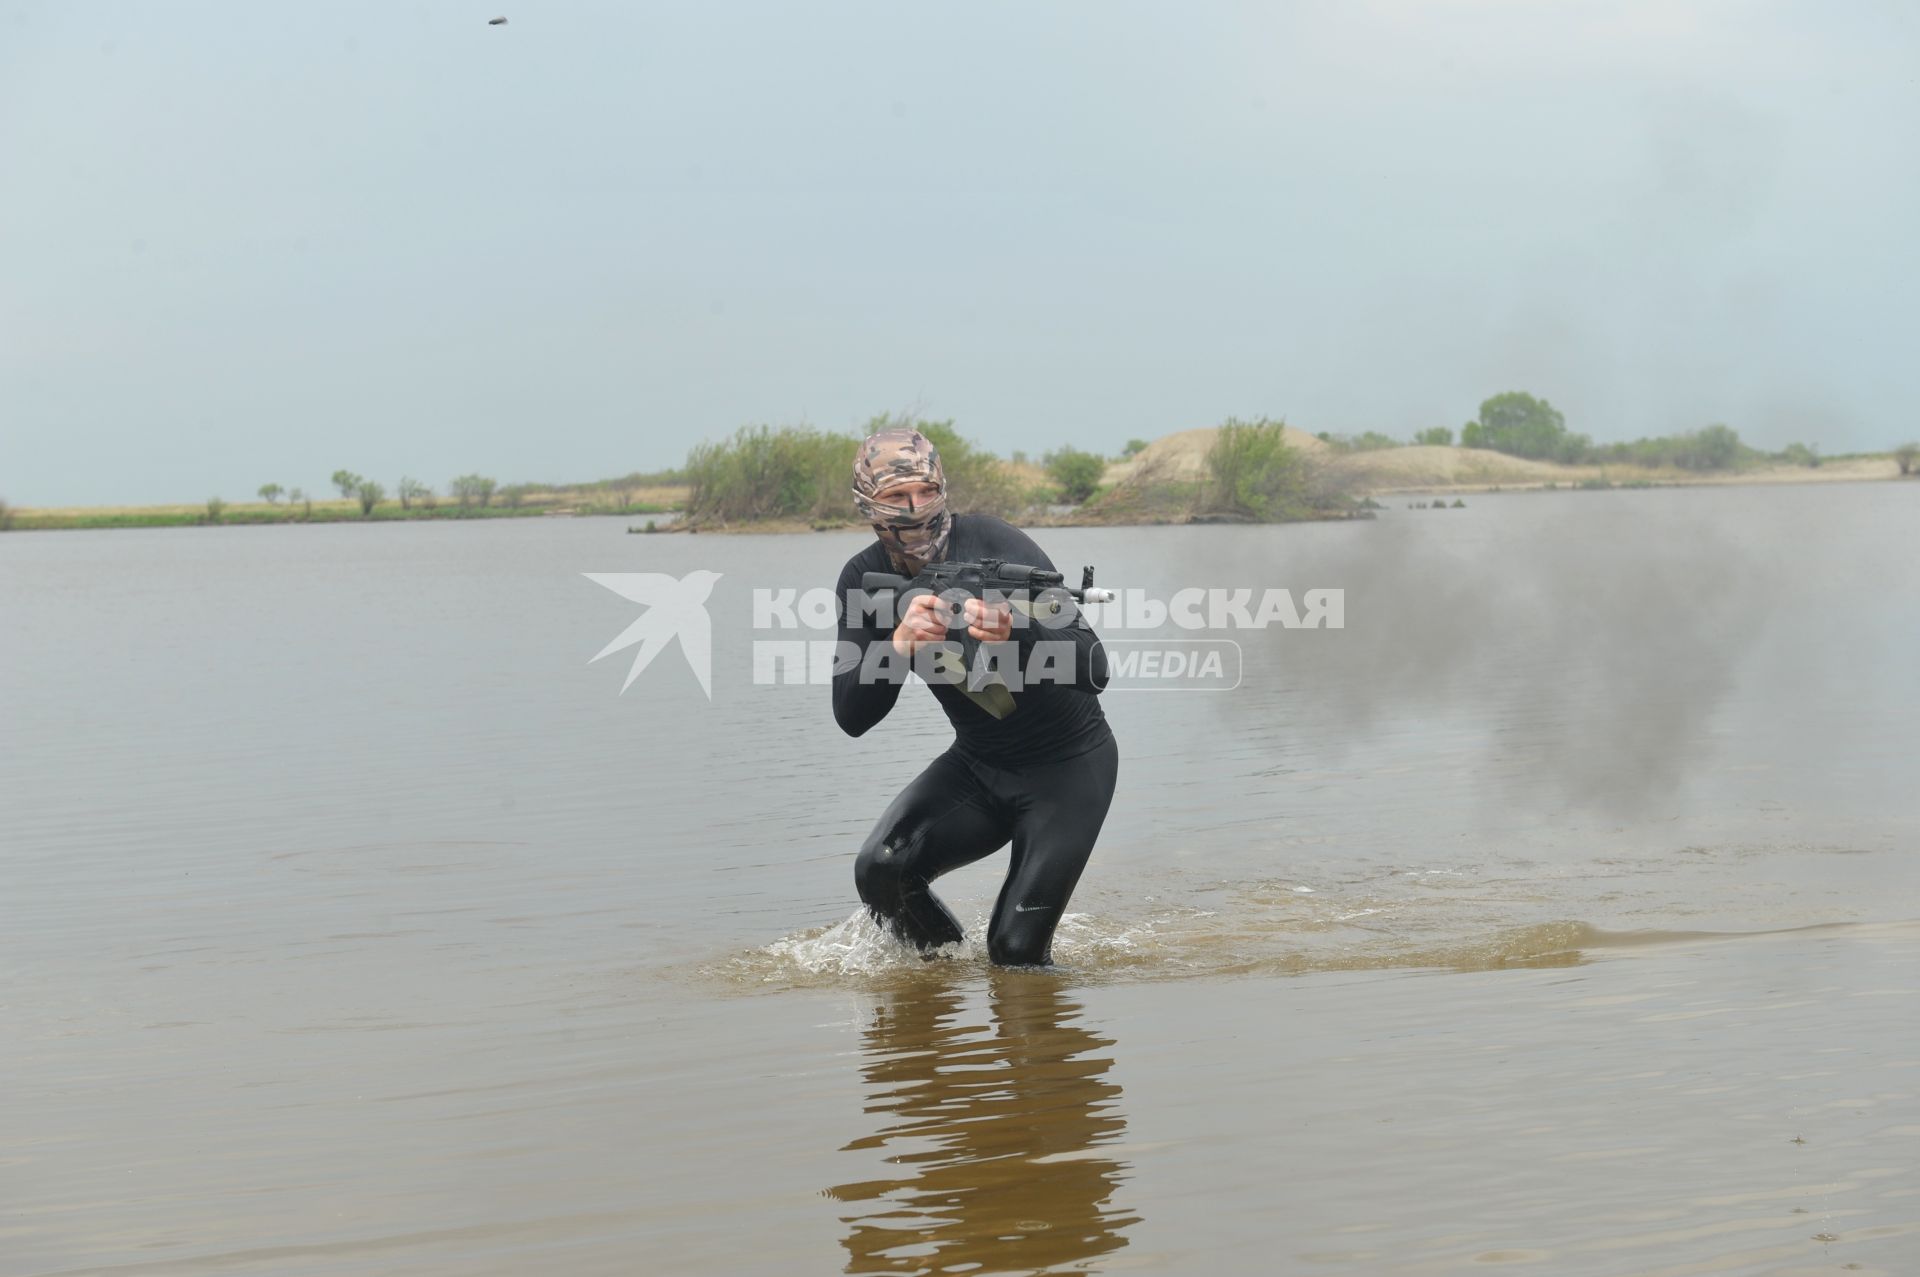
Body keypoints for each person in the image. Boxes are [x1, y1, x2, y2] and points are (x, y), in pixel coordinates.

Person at [832, 425, 1117, 967]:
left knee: (1013, 951)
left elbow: (1095, 667)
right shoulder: (863, 578)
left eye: (926, 491)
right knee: (881, 871)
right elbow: (851, 716)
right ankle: (941, 983)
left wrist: (1018, 629)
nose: (915, 509)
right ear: (867, 505)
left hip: (1069, 767)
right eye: (896, 497)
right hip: (979, 766)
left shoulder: (993, 543)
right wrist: (895, 646)